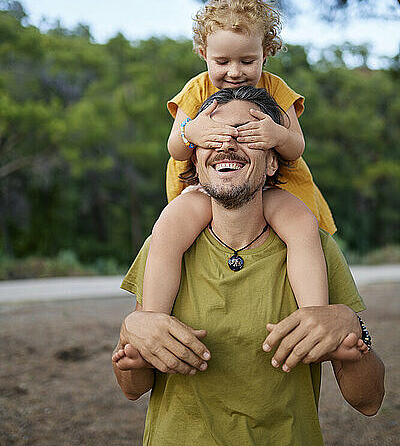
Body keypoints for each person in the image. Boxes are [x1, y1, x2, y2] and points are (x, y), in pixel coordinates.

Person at [112, 87, 384, 446]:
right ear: (194, 160)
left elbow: (367, 401)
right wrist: (132, 339)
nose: (226, 144)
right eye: (213, 135)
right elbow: (134, 388)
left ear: (273, 161)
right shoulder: (165, 246)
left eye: (247, 132)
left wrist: (354, 329)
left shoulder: (314, 247)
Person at [142, 0, 339, 320]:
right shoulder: (198, 89)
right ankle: (153, 317)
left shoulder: (275, 89)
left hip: (273, 185)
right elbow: (175, 147)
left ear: (266, 52)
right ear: (204, 53)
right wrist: (193, 130)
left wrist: (277, 133)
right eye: (222, 61)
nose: (234, 71)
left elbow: (296, 148)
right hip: (207, 186)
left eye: (247, 60)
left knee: (301, 224)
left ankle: (313, 315)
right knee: (169, 228)